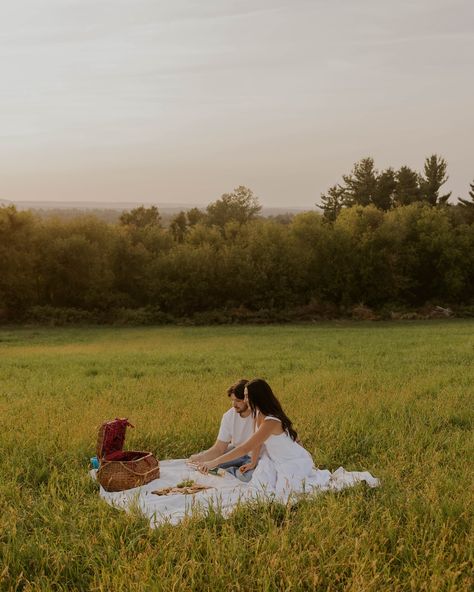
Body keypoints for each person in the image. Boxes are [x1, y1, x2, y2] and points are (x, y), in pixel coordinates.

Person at [196, 378, 314, 498]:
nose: (245, 399)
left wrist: (214, 462)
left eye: (247, 396)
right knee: (251, 475)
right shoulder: (257, 413)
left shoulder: (271, 422)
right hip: (271, 458)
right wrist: (252, 463)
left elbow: (245, 448)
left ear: (256, 397)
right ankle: (226, 470)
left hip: (288, 460)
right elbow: (257, 442)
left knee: (270, 488)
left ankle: (229, 472)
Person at [187, 379, 259, 481]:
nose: (234, 404)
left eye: (238, 401)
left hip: (256, 456)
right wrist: (199, 458)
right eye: (232, 400)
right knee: (202, 464)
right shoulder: (229, 416)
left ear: (247, 399)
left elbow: (253, 446)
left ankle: (229, 473)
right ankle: (224, 471)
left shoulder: (258, 415)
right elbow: (219, 448)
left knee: (248, 477)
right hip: (237, 451)